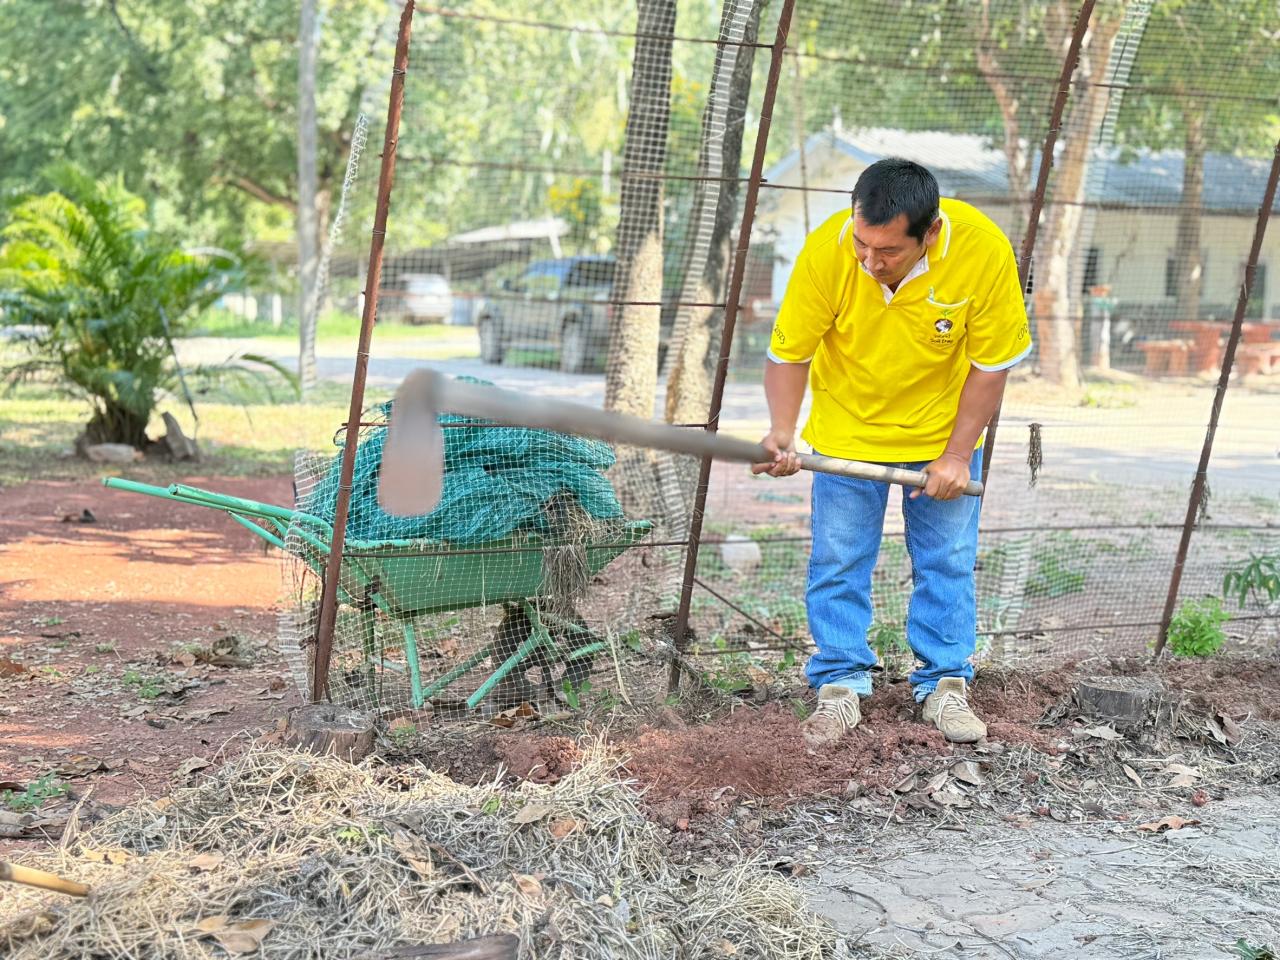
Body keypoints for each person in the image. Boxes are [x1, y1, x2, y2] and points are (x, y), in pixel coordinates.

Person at [754, 158, 1031, 746]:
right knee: (838, 562)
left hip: (940, 441)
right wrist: (782, 431)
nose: (870, 262)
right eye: (862, 244)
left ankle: (945, 685)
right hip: (846, 436)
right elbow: (789, 353)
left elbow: (991, 366)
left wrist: (957, 456)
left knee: (947, 562)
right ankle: (840, 685)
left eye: (888, 252)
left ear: (929, 233)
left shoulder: (982, 250)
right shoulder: (830, 251)